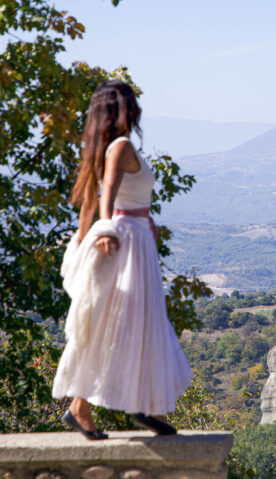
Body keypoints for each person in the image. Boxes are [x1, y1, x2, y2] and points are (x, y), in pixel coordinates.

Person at [52, 80, 192, 439]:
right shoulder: (120, 146)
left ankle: (140, 404)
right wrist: (106, 232)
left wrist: (147, 220)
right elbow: (108, 195)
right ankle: (89, 406)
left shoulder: (114, 147)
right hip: (126, 242)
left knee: (134, 321)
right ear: (123, 109)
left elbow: (121, 196)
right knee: (121, 321)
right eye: (131, 103)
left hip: (137, 236)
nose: (136, 109)